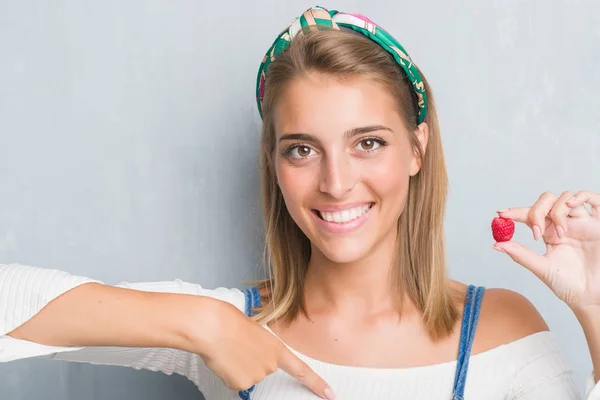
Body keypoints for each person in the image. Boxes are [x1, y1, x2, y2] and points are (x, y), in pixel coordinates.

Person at [1, 5, 599, 400]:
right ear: (274, 164)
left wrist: (597, 306)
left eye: (368, 143)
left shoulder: (498, 328)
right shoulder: (229, 326)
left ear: (417, 148)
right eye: (302, 150)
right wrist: (201, 322)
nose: (336, 183)